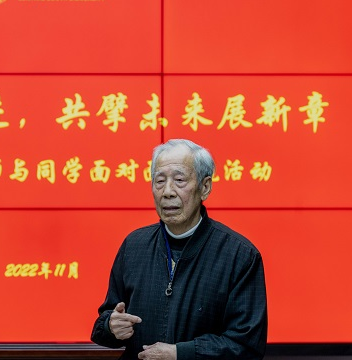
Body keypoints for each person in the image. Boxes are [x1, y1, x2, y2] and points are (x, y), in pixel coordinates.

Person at [91, 139, 268, 359]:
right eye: (159, 181)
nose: (167, 192)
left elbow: (247, 346)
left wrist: (180, 354)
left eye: (179, 180)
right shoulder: (134, 245)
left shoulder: (239, 255)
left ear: (205, 187)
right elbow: (103, 324)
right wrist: (110, 326)